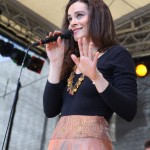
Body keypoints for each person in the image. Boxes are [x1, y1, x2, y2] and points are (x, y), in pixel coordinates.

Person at [43, 0, 137, 149]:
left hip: (91, 144)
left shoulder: (117, 54)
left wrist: (96, 77)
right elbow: (50, 110)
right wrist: (55, 63)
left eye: (79, 16)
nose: (72, 23)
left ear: (97, 18)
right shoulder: (71, 60)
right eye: (70, 18)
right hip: (59, 144)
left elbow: (129, 110)